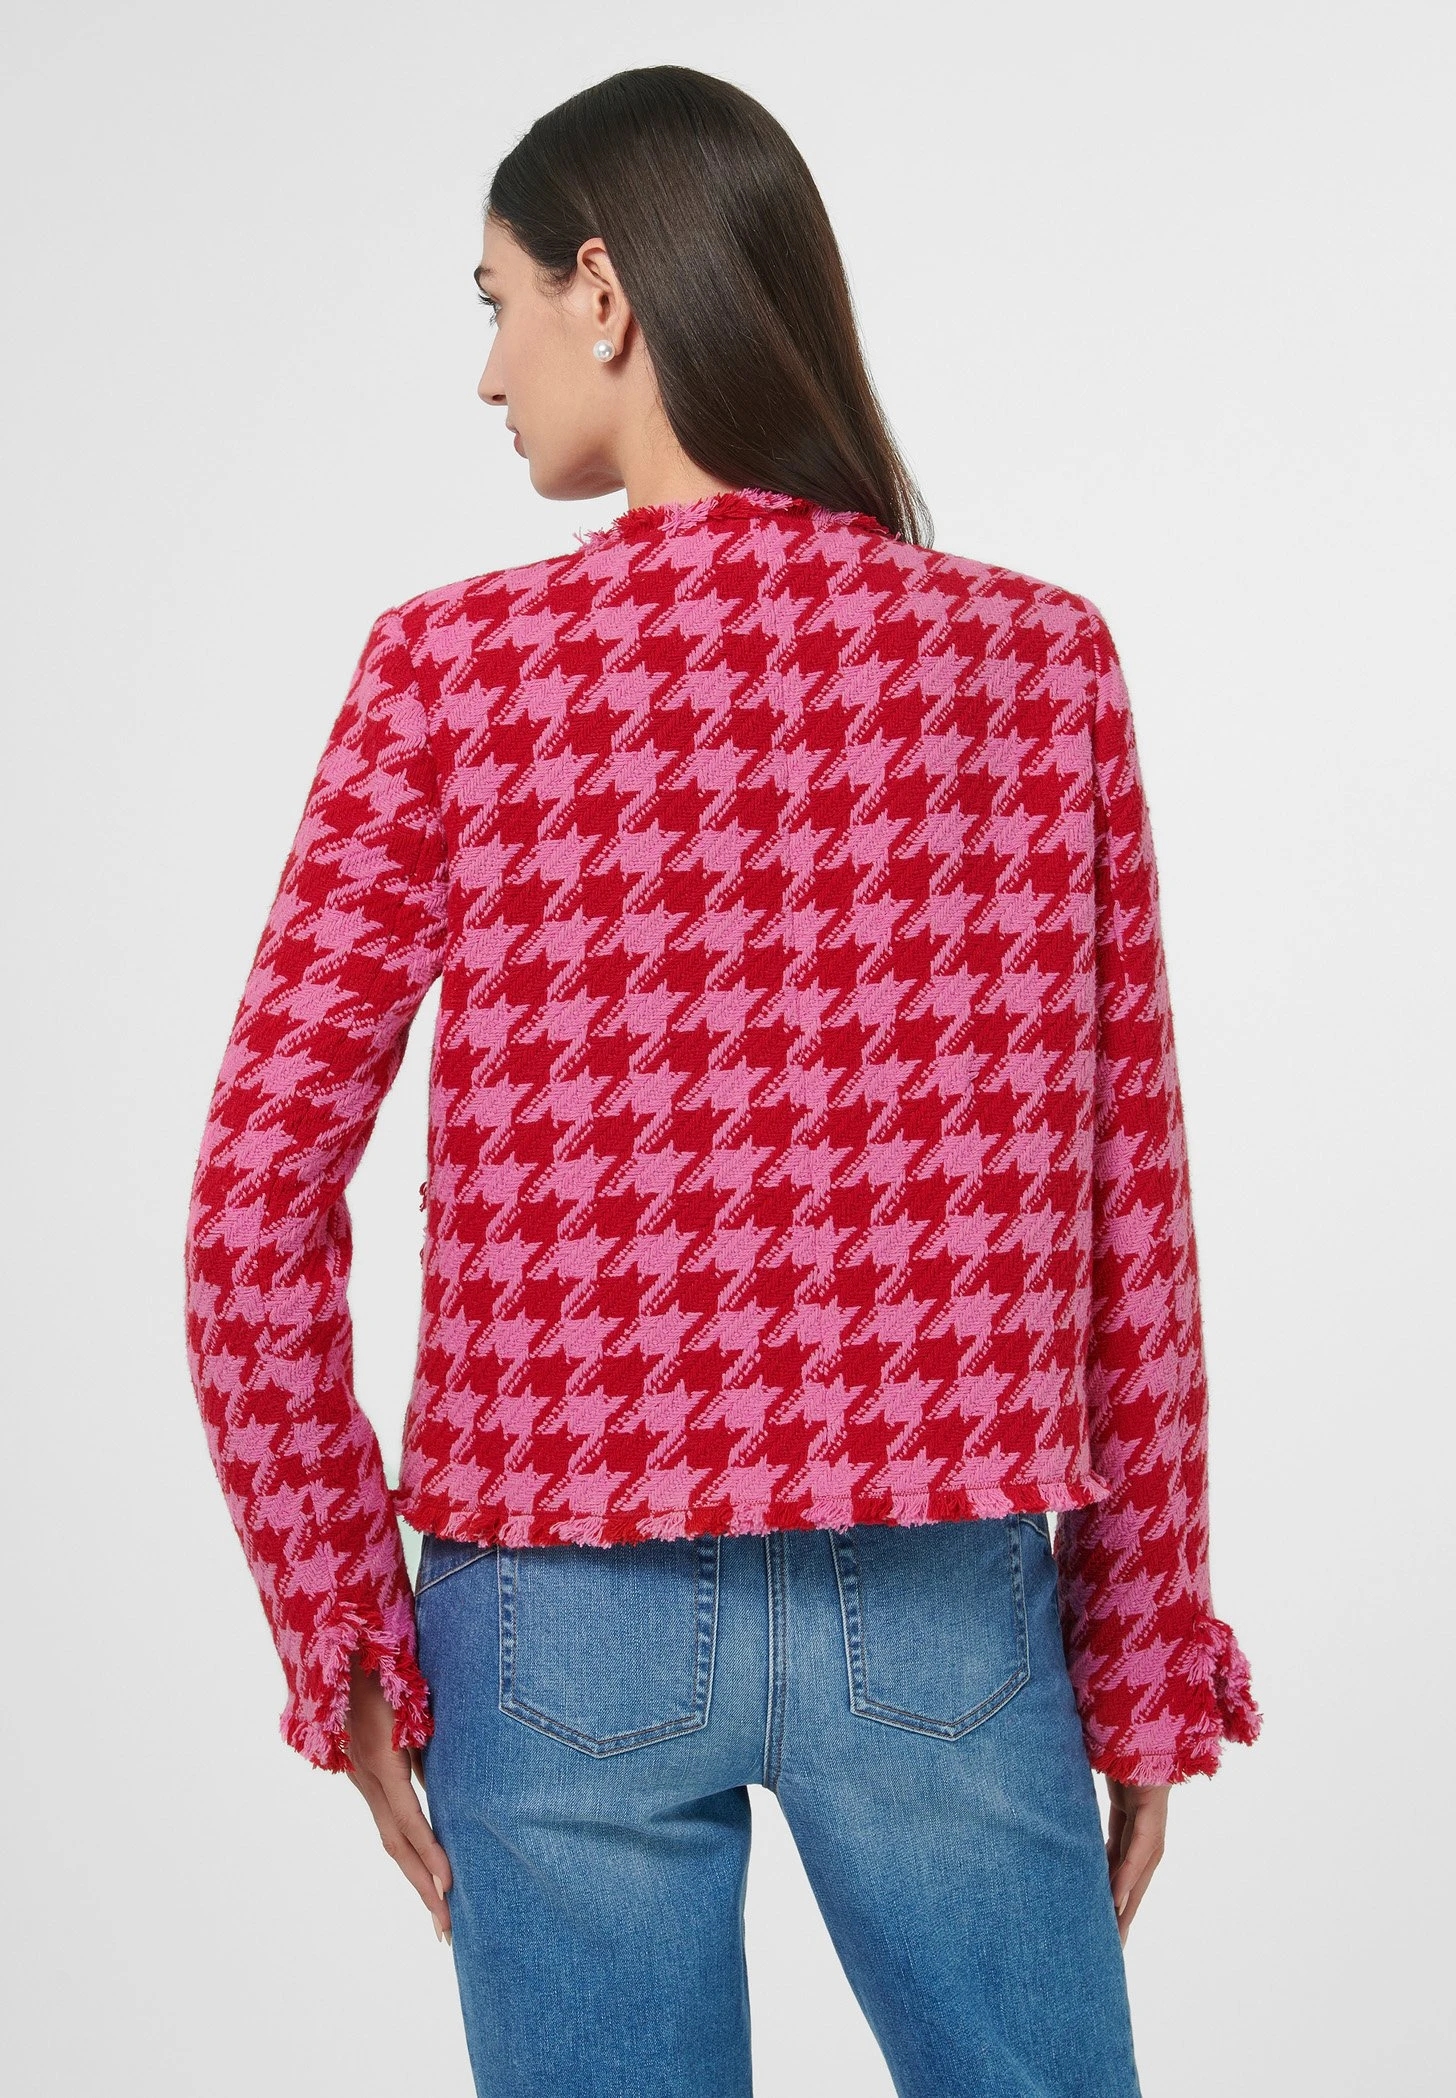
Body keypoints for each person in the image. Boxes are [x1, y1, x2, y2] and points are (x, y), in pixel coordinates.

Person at [182, 62, 1262, 2098]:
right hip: (940, 1602)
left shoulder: (454, 676)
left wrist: (342, 1629)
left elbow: (251, 1203)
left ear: (602, 292)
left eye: (497, 301)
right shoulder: (1037, 666)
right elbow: (1134, 1213)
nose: (488, 370)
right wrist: (1137, 1654)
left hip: (552, 1608)